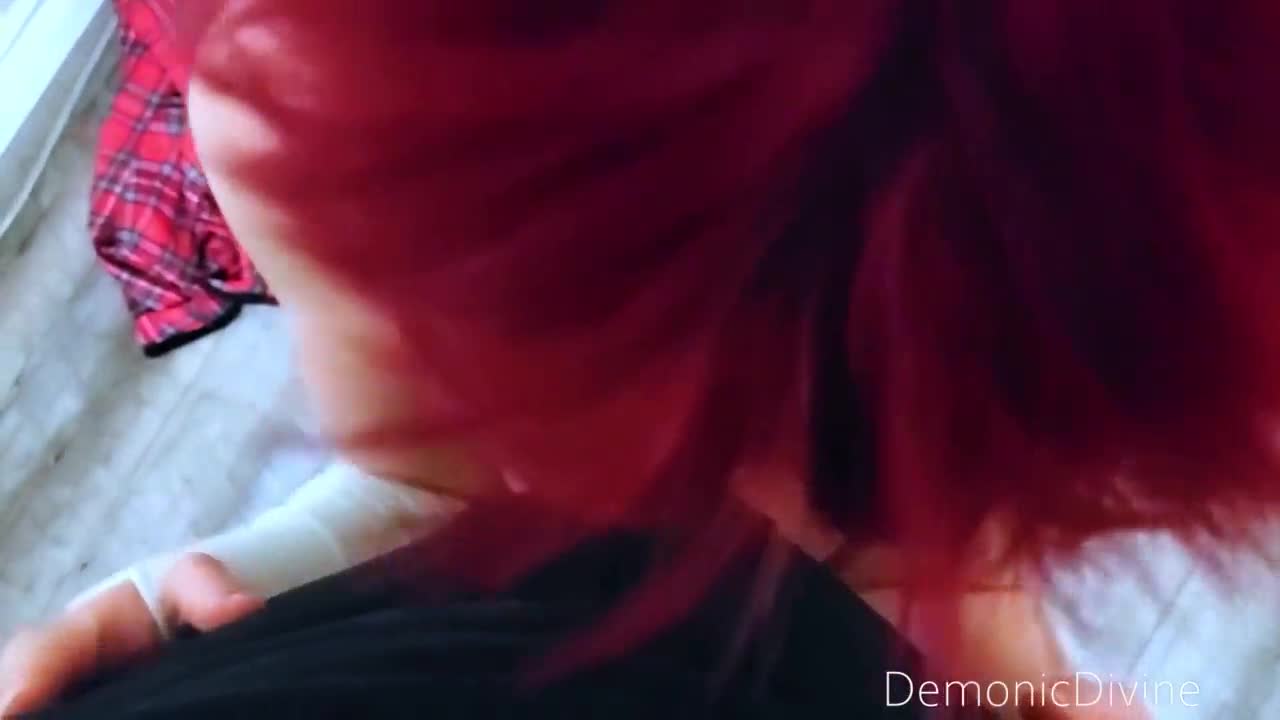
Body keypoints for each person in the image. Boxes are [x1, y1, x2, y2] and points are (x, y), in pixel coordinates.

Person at [5, 1, 1280, 717]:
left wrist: (1008, 683)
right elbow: (424, 478)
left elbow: (940, 548)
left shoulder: (1039, 250)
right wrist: (212, 604)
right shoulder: (300, 96)